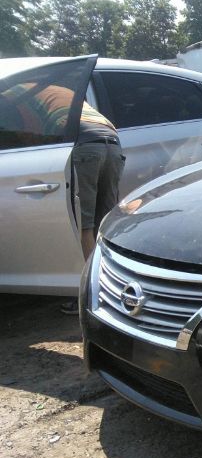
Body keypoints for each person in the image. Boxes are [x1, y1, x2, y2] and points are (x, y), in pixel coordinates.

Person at [60, 103, 125, 315]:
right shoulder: (70, 94)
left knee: (83, 224)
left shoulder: (23, 94)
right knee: (108, 224)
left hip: (85, 147)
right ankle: (117, 287)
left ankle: (91, 294)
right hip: (113, 144)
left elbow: (30, 135)